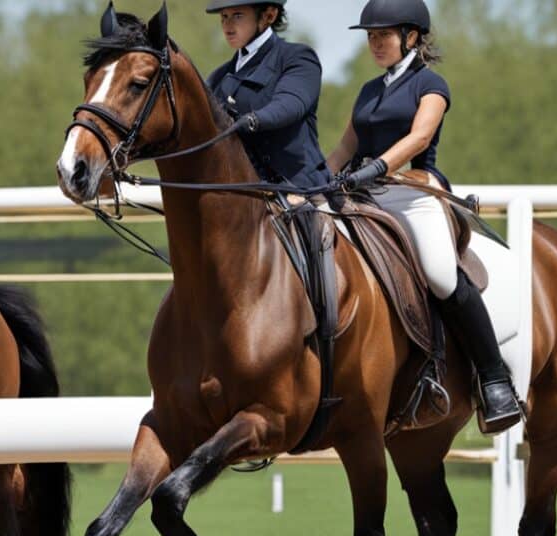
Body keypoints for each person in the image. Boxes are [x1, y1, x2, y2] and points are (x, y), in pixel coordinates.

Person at [325, 0, 522, 433]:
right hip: (365, 194)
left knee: (440, 274)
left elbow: (419, 136)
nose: (375, 44)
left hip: (412, 193)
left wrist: (376, 167)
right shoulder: (368, 91)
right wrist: (317, 180)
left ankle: (493, 378)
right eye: (371, 37)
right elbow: (343, 148)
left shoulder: (430, 84)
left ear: (411, 37)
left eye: (383, 35)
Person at [205, 0, 332, 190]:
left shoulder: (297, 58)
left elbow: (290, 104)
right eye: (224, 17)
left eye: (237, 15)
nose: (228, 26)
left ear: (268, 16)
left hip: (298, 186)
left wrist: (252, 120)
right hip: (243, 190)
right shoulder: (218, 77)